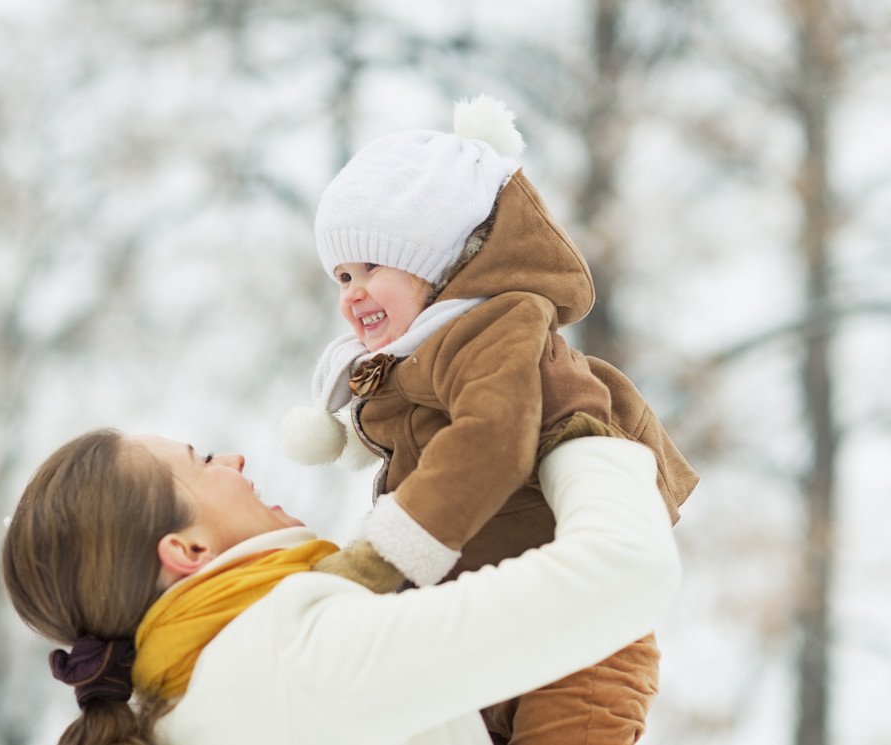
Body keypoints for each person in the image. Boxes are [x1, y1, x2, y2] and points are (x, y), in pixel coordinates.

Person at [280, 95, 699, 744]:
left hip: (579, 646)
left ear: (443, 260)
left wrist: (380, 557)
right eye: (341, 274)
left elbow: (490, 439)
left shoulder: (497, 325)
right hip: (486, 637)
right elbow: (402, 429)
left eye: (372, 266)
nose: (352, 291)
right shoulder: (416, 355)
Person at [2, 428, 680, 745]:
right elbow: (623, 569)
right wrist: (579, 430)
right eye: (201, 460)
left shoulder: (183, 709)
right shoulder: (288, 662)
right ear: (185, 550)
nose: (234, 458)